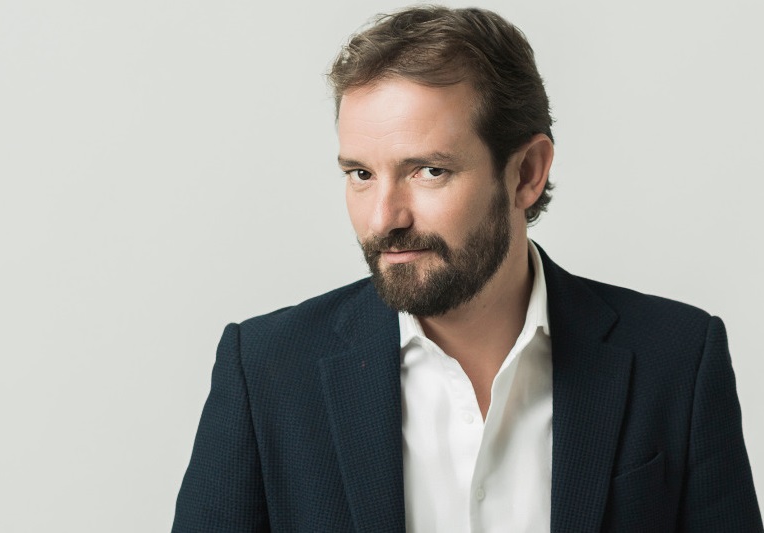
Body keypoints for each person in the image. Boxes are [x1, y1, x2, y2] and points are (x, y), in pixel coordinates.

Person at [172, 6, 762, 532]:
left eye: (429, 171)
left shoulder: (678, 361)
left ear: (527, 173)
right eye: (361, 174)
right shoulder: (266, 372)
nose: (384, 218)